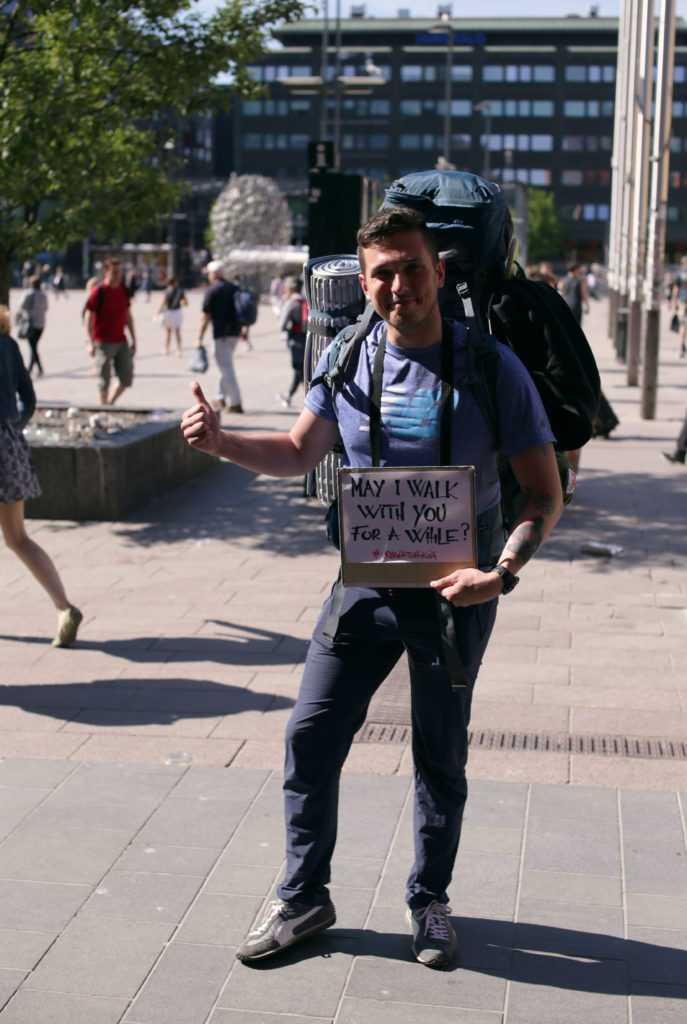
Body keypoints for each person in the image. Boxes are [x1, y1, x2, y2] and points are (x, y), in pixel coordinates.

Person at [181, 207, 563, 970]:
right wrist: (221, 443)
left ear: (439, 273)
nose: (398, 284)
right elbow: (299, 452)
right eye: (382, 273)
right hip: (362, 590)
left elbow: (543, 495)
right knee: (309, 735)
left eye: (412, 267)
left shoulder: (491, 367)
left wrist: (499, 574)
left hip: (456, 596)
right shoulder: (349, 356)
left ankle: (429, 902)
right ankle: (303, 897)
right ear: (362, 285)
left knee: (438, 754)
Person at [0, 305, 82, 647]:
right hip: (9, 444)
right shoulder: (8, 344)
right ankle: (64, 607)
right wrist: (12, 428)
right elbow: (29, 399)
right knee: (18, 537)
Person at [83, 257, 137, 405]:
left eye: (119, 272)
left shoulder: (123, 290)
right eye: (114, 272)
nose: (118, 275)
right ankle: (104, 408)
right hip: (102, 342)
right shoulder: (98, 291)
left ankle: (110, 403)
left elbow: (128, 316)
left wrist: (134, 339)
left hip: (121, 340)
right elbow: (88, 317)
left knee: (127, 377)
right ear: (105, 271)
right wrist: (89, 342)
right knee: (104, 380)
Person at [195, 260, 245, 415]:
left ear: (213, 274)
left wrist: (199, 337)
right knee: (225, 365)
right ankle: (220, 397)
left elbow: (206, 316)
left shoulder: (212, 290)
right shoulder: (233, 288)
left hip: (220, 334)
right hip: (234, 333)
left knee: (226, 368)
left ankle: (236, 403)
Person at [279, 276, 307, 407]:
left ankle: (291, 395)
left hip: (296, 339)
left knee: (298, 369)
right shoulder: (306, 301)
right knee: (304, 369)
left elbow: (282, 325)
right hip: (307, 338)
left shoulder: (291, 303)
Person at [18, 275, 48, 377]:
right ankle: (32, 368)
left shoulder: (28, 294)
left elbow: (22, 306)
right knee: (34, 346)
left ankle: (35, 368)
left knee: (33, 347)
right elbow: (46, 308)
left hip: (31, 324)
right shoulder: (43, 295)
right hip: (41, 324)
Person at [155, 275, 187, 356]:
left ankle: (166, 349)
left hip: (169, 313)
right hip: (178, 312)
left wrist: (157, 314)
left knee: (168, 332)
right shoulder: (180, 290)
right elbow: (185, 302)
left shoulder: (167, 292)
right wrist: (182, 302)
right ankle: (178, 350)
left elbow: (162, 304)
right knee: (178, 332)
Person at [671, 255, 687, 358]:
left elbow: (675, 289)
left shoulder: (679, 273)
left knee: (682, 324)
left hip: (682, 300)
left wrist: (674, 302)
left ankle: (682, 343)